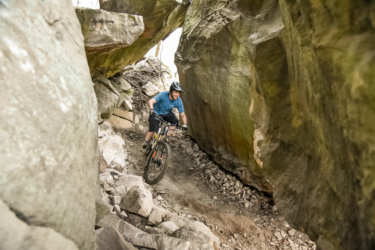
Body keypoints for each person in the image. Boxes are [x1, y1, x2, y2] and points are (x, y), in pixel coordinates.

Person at [141, 82, 188, 153]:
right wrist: (151, 109)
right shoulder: (163, 94)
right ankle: (146, 142)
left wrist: (185, 124)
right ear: (171, 91)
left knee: (175, 122)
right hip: (155, 113)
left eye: (179, 93)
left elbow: (183, 114)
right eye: (176, 92)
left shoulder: (178, 101)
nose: (177, 95)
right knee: (153, 130)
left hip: (167, 113)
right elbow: (150, 101)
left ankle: (166, 137)